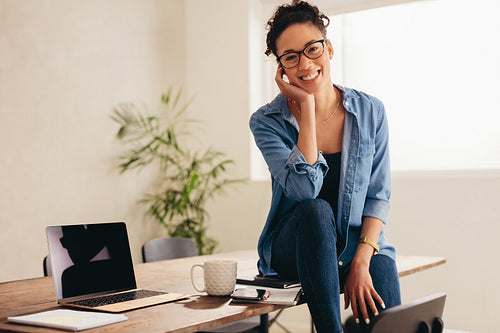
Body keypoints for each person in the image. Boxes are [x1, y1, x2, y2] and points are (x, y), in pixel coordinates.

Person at [249, 1, 401, 332]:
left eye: (312, 49)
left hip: (356, 243)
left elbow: (378, 196)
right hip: (295, 243)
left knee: (392, 322)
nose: (305, 63)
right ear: (281, 69)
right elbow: (304, 192)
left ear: (328, 48)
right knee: (316, 211)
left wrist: (361, 261)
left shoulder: (371, 111)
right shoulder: (266, 122)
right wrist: (305, 108)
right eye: (291, 57)